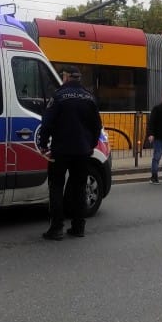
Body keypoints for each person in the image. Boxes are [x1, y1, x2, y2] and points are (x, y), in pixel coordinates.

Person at [37, 66, 102, 241]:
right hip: (82, 151)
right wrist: (91, 144)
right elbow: (97, 125)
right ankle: (78, 226)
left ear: (65, 77)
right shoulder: (89, 98)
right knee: (79, 188)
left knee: (56, 187)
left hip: (61, 150)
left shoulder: (58, 96)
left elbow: (47, 122)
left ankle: (57, 228)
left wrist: (43, 144)